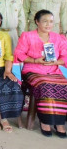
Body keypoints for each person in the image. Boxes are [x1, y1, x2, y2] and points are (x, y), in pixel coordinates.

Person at [14, 9, 67, 138]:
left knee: (64, 84)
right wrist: (35, 60)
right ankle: (46, 121)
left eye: (51, 21)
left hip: (53, 70)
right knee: (45, 84)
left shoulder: (58, 37)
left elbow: (65, 56)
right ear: (37, 22)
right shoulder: (27, 36)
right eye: (45, 21)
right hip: (33, 70)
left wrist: (56, 62)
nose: (48, 24)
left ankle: (60, 122)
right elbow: (19, 54)